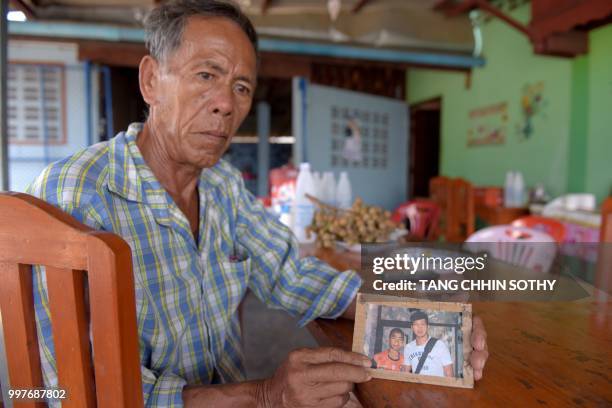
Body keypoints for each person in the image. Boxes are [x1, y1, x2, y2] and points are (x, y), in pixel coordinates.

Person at [26, 1, 488, 407]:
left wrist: (426, 319)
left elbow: (290, 272)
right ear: (151, 80)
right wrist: (265, 396)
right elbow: (76, 389)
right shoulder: (77, 193)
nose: (225, 103)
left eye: (242, 87)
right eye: (206, 74)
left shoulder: (222, 186)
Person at [403, 311, 454, 377]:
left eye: (422, 324)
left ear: (428, 326)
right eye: (416, 324)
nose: (419, 327)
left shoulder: (440, 345)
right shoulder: (408, 347)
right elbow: (406, 373)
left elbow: (449, 374)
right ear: (412, 327)